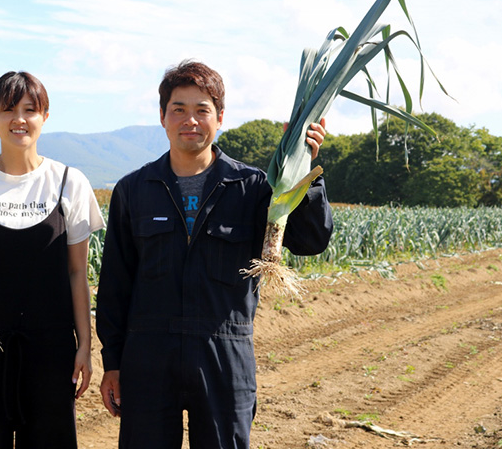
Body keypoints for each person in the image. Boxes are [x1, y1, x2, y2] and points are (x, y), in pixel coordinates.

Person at [96, 60, 333, 448]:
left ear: (219, 117)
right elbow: (115, 286)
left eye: (202, 110)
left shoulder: (254, 187)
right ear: (162, 117)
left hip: (225, 354)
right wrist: (114, 362)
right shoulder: (134, 190)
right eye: (179, 109)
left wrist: (305, 168)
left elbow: (311, 241)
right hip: (149, 357)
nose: (190, 120)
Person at [0, 71, 105, 448]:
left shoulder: (69, 182)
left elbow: (78, 273)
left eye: (30, 109)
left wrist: (84, 344)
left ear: (45, 117)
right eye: (8, 109)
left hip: (50, 351)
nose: (19, 119)